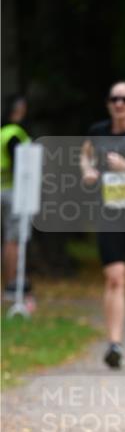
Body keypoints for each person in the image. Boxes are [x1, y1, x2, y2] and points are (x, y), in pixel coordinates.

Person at [81, 81, 125, 369]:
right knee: (114, 278)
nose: (119, 104)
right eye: (114, 99)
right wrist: (87, 170)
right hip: (108, 213)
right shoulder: (97, 132)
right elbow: (84, 155)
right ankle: (114, 344)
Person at [1, 94, 32, 297]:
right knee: (13, 240)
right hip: (13, 192)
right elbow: (20, 164)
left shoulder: (3, 132)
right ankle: (12, 286)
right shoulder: (15, 133)